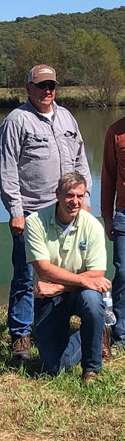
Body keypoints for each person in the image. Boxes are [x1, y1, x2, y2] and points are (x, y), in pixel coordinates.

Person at [0, 64, 92, 360]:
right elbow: (7, 168)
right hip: (32, 212)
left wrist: (85, 197)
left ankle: (57, 328)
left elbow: (80, 159)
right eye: (41, 86)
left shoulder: (66, 117)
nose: (47, 91)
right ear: (28, 88)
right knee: (26, 275)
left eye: (51, 86)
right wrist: (15, 210)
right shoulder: (17, 120)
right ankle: (21, 335)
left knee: (69, 271)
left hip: (68, 212)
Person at [25, 173, 110, 382]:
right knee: (51, 369)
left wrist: (58, 287)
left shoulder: (93, 226)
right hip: (49, 296)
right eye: (70, 195)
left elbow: (97, 274)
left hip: (76, 293)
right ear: (58, 195)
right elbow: (44, 269)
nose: (75, 202)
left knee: (92, 299)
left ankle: (91, 369)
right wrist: (81, 280)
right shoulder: (35, 222)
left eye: (80, 196)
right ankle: (95, 335)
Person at [101, 115, 125, 349]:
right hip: (123, 216)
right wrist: (107, 216)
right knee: (123, 272)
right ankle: (121, 333)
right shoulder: (115, 131)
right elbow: (107, 176)